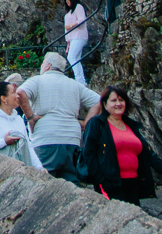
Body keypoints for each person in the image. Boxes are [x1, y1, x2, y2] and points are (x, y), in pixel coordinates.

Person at [77, 85, 162, 203]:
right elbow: (88, 153)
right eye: (113, 100)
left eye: (121, 100)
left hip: (133, 182)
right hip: (110, 183)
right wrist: (101, 179)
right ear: (104, 104)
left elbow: (147, 152)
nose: (118, 104)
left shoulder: (131, 126)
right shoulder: (97, 123)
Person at [17, 53, 101, 184]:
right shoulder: (75, 85)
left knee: (42, 183)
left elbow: (20, 93)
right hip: (72, 139)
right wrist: (85, 123)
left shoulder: (38, 80)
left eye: (43, 63)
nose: (41, 66)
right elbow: (98, 101)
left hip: (46, 138)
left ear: (48, 65)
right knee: (72, 186)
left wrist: (31, 117)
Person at [63, 0, 89, 82]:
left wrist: (71, 26)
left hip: (80, 36)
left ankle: (79, 79)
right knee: (76, 58)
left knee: (71, 57)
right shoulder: (67, 15)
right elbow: (66, 31)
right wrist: (68, 43)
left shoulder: (79, 7)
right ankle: (82, 80)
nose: (67, 1)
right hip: (72, 38)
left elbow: (82, 20)